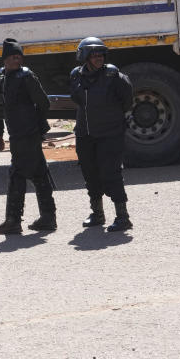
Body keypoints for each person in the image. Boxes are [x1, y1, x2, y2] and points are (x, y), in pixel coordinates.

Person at [0, 38, 56, 234]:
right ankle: (47, 217)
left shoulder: (25, 76)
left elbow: (44, 103)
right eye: (13, 57)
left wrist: (34, 124)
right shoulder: (3, 76)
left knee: (17, 174)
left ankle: (13, 220)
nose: (17, 60)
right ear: (5, 59)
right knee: (39, 173)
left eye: (19, 56)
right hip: (18, 133)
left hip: (27, 134)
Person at [70, 37, 134, 232]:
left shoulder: (113, 76)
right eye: (94, 55)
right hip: (85, 133)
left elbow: (127, 99)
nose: (98, 58)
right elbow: (76, 98)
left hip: (110, 133)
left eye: (101, 55)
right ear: (85, 57)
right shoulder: (76, 76)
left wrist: (114, 119)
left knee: (111, 173)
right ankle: (97, 214)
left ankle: (123, 217)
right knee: (90, 173)